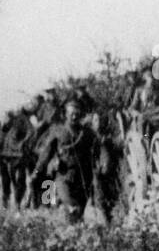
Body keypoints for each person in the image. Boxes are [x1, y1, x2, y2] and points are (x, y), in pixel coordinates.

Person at [35, 94, 97, 224]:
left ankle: (74, 235)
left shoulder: (87, 133)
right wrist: (38, 170)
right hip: (63, 175)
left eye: (77, 114)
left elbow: (98, 147)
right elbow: (47, 152)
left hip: (84, 177)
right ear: (65, 114)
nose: (74, 116)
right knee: (71, 206)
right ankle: (71, 231)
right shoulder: (57, 130)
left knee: (79, 211)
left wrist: (104, 160)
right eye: (71, 113)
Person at [1, 106, 34, 209]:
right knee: (6, 179)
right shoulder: (7, 119)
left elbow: (31, 131)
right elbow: (3, 130)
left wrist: (23, 142)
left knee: (19, 179)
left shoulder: (22, 119)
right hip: (5, 154)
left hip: (18, 155)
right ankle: (6, 201)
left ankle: (18, 203)